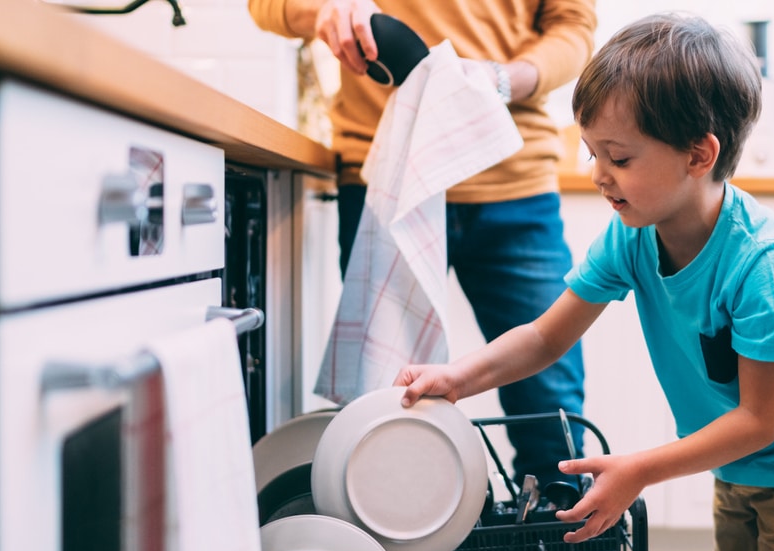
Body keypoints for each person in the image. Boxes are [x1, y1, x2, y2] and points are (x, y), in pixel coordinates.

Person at [396, 12, 774, 551]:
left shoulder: (764, 264)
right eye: (592, 152)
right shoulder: (634, 234)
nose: (599, 173)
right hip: (738, 464)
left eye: (618, 157)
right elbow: (543, 336)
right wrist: (457, 377)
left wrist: (641, 468)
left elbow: (763, 419)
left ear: (698, 154)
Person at [247, 0, 597, 486]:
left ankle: (554, 549)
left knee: (548, 407)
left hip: (513, 180)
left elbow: (573, 27)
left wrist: (502, 79)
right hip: (388, 177)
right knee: (384, 397)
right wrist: (324, 10)